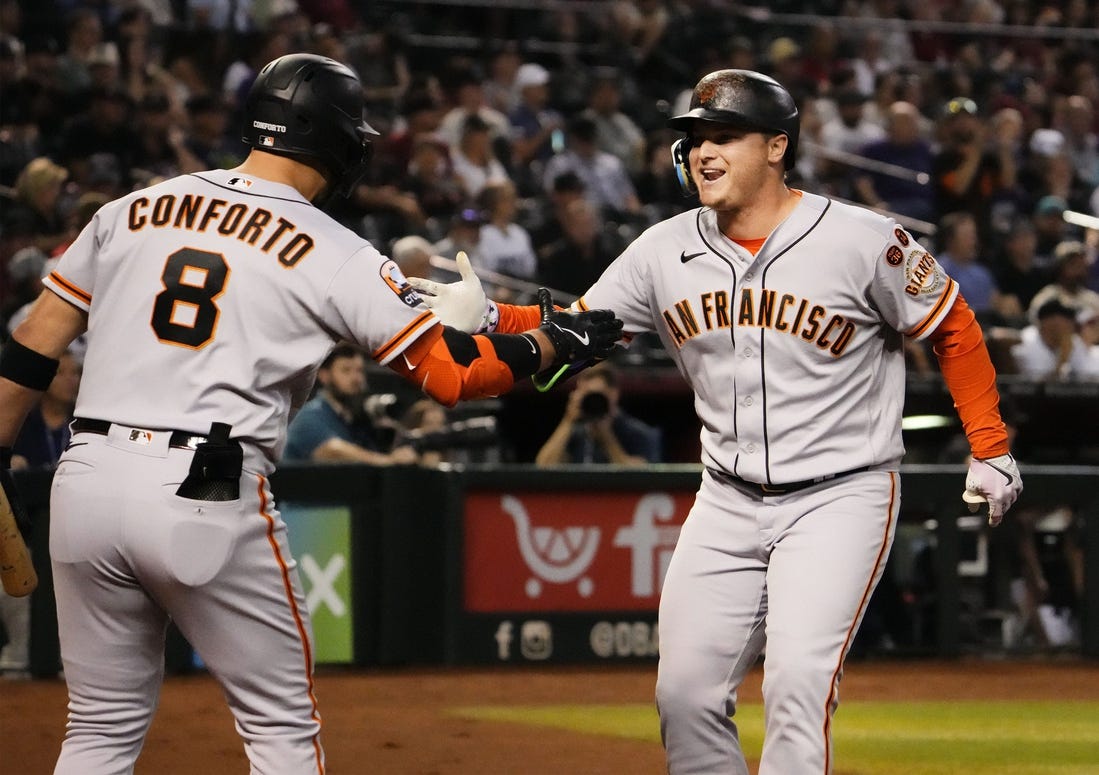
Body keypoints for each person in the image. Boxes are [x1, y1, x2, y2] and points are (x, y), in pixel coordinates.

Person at [0, 53, 620, 773]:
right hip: (203, 489)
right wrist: (552, 344)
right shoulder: (332, 249)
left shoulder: (131, 208)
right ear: (336, 140)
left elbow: (33, 342)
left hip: (86, 480)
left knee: (99, 729)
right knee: (281, 732)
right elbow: (454, 375)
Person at [409, 69, 1023, 775]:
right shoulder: (661, 249)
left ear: (775, 147)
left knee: (796, 686)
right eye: (695, 138)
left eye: (723, 137)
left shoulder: (861, 239)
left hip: (839, 495)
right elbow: (581, 328)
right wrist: (489, 319)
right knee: (684, 694)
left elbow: (952, 324)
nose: (702, 152)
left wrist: (989, 446)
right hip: (726, 496)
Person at [0, 347, 81, 680]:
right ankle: (20, 651)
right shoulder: (22, 421)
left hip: (78, 532)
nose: (71, 380)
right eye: (62, 373)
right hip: (29, 529)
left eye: (76, 373)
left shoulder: (86, 421)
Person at [283, 343, 417, 465]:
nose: (356, 378)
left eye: (359, 370)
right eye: (346, 370)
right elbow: (333, 450)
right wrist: (388, 460)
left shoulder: (356, 420)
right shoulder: (308, 416)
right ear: (324, 376)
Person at [534, 361, 662, 466]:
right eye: (587, 394)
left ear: (614, 394)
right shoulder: (575, 433)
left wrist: (606, 437)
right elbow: (544, 466)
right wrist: (568, 420)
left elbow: (641, 479)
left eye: (597, 395)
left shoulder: (639, 434)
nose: (593, 401)